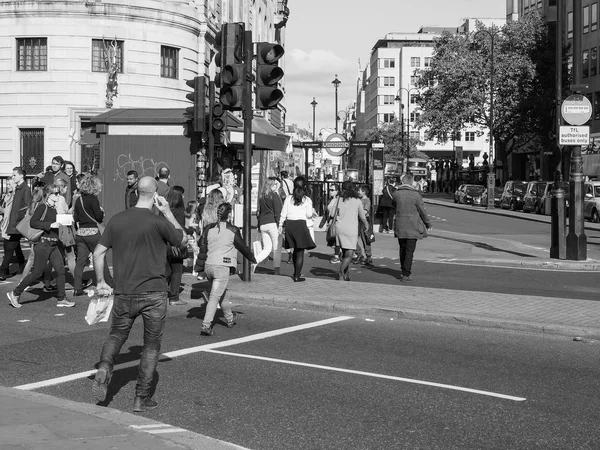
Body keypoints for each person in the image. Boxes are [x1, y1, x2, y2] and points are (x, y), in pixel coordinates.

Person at [91, 176, 187, 412]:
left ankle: (104, 367)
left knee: (117, 335)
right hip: (154, 292)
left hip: (125, 291)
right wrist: (167, 212)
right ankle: (141, 397)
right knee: (151, 346)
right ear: (155, 196)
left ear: (136, 192)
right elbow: (182, 239)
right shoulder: (158, 221)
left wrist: (102, 281)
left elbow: (98, 253)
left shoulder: (117, 220)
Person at [7, 184, 75, 308]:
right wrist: (49, 225)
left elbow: (57, 223)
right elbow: (33, 222)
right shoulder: (42, 207)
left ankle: (61, 298)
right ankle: (15, 293)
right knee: (37, 273)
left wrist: (66, 220)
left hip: (54, 244)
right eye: (55, 194)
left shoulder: (54, 208)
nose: (58, 196)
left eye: (59, 193)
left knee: (60, 271)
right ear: (48, 195)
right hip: (43, 244)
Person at [196, 202, 256, 336]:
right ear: (229, 214)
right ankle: (206, 325)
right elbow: (242, 247)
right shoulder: (233, 230)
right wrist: (252, 258)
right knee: (214, 297)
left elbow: (201, 244)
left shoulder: (209, 228)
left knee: (222, 295)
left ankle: (230, 319)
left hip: (209, 266)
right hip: (222, 267)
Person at [72, 175, 111, 296]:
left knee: (80, 262)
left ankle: (77, 288)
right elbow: (98, 217)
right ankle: (108, 282)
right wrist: (102, 212)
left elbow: (76, 217)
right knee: (100, 257)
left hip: (81, 233)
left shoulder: (79, 199)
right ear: (94, 186)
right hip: (93, 232)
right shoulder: (93, 199)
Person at [392, 173, 432, 282]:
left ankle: (403, 268)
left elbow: (394, 205)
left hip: (400, 224)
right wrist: (427, 223)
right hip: (413, 225)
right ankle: (406, 273)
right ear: (411, 182)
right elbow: (422, 211)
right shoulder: (416, 195)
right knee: (410, 250)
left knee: (402, 248)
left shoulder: (396, 194)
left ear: (403, 182)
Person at [278, 177, 316, 282]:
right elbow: (308, 214)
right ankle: (297, 275)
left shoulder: (288, 198)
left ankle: (295, 273)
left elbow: (283, 213)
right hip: (301, 225)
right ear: (304, 186)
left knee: (294, 249)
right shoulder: (307, 200)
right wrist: (312, 212)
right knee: (300, 251)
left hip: (290, 224)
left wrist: (280, 225)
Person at [0, 167, 32, 281]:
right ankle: (22, 267)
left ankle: (2, 270)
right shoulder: (18, 189)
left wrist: (19, 217)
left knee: (10, 246)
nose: (13, 177)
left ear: (21, 176)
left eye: (14, 175)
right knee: (14, 245)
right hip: (12, 223)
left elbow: (28, 206)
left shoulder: (26, 189)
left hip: (18, 224)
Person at [334, 181, 369, 281]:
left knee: (345, 253)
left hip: (339, 227)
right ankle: (341, 270)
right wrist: (367, 225)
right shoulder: (357, 200)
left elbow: (332, 212)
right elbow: (362, 216)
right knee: (349, 254)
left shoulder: (339, 199)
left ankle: (345, 274)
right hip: (351, 229)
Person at [255, 177, 283, 275]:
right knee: (277, 248)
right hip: (273, 224)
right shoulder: (274, 196)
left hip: (263, 224)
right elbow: (278, 212)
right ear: (272, 185)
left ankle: (254, 261)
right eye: (275, 184)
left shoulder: (262, 197)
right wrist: (281, 225)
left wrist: (259, 226)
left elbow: (260, 212)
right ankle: (277, 270)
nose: (277, 185)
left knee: (266, 248)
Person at [165, 188, 187, 306]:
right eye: (182, 195)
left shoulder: (165, 209)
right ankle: (174, 297)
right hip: (175, 242)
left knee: (166, 270)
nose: (183, 197)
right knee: (177, 270)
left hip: (165, 243)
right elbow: (180, 227)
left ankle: (161, 293)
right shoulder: (179, 210)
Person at [353, 184, 373, 265]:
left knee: (365, 239)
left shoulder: (367, 200)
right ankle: (359, 254)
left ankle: (368, 256)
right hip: (357, 220)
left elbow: (365, 212)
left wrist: (357, 212)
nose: (358, 192)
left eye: (359, 191)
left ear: (364, 192)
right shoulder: (358, 199)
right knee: (353, 238)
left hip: (364, 220)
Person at [322, 183, 342, 264]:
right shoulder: (330, 200)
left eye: (332, 190)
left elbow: (334, 213)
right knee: (331, 239)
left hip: (335, 221)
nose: (330, 191)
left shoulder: (338, 200)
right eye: (330, 190)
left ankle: (337, 255)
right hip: (330, 222)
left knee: (334, 239)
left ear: (337, 191)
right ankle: (338, 253)